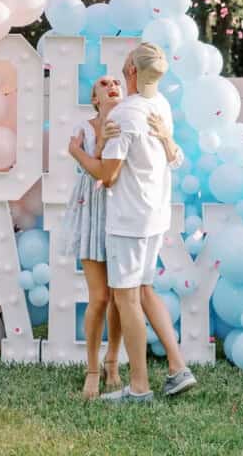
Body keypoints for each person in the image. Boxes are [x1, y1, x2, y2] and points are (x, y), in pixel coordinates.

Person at [68, 42, 197, 402]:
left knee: (127, 299)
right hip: (155, 216)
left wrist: (77, 152)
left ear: (132, 73)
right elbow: (170, 156)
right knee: (144, 289)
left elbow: (108, 176)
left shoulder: (124, 115)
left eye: (122, 71)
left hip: (129, 219)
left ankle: (139, 387)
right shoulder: (161, 106)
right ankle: (178, 367)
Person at [61, 74, 172, 398]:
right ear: (95, 97)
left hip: (124, 213)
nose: (112, 86)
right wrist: (90, 146)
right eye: (103, 84)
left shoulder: (131, 121)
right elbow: (96, 171)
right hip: (94, 214)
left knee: (123, 296)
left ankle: (113, 362)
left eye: (117, 83)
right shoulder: (83, 128)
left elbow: (126, 169)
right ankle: (92, 370)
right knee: (100, 297)